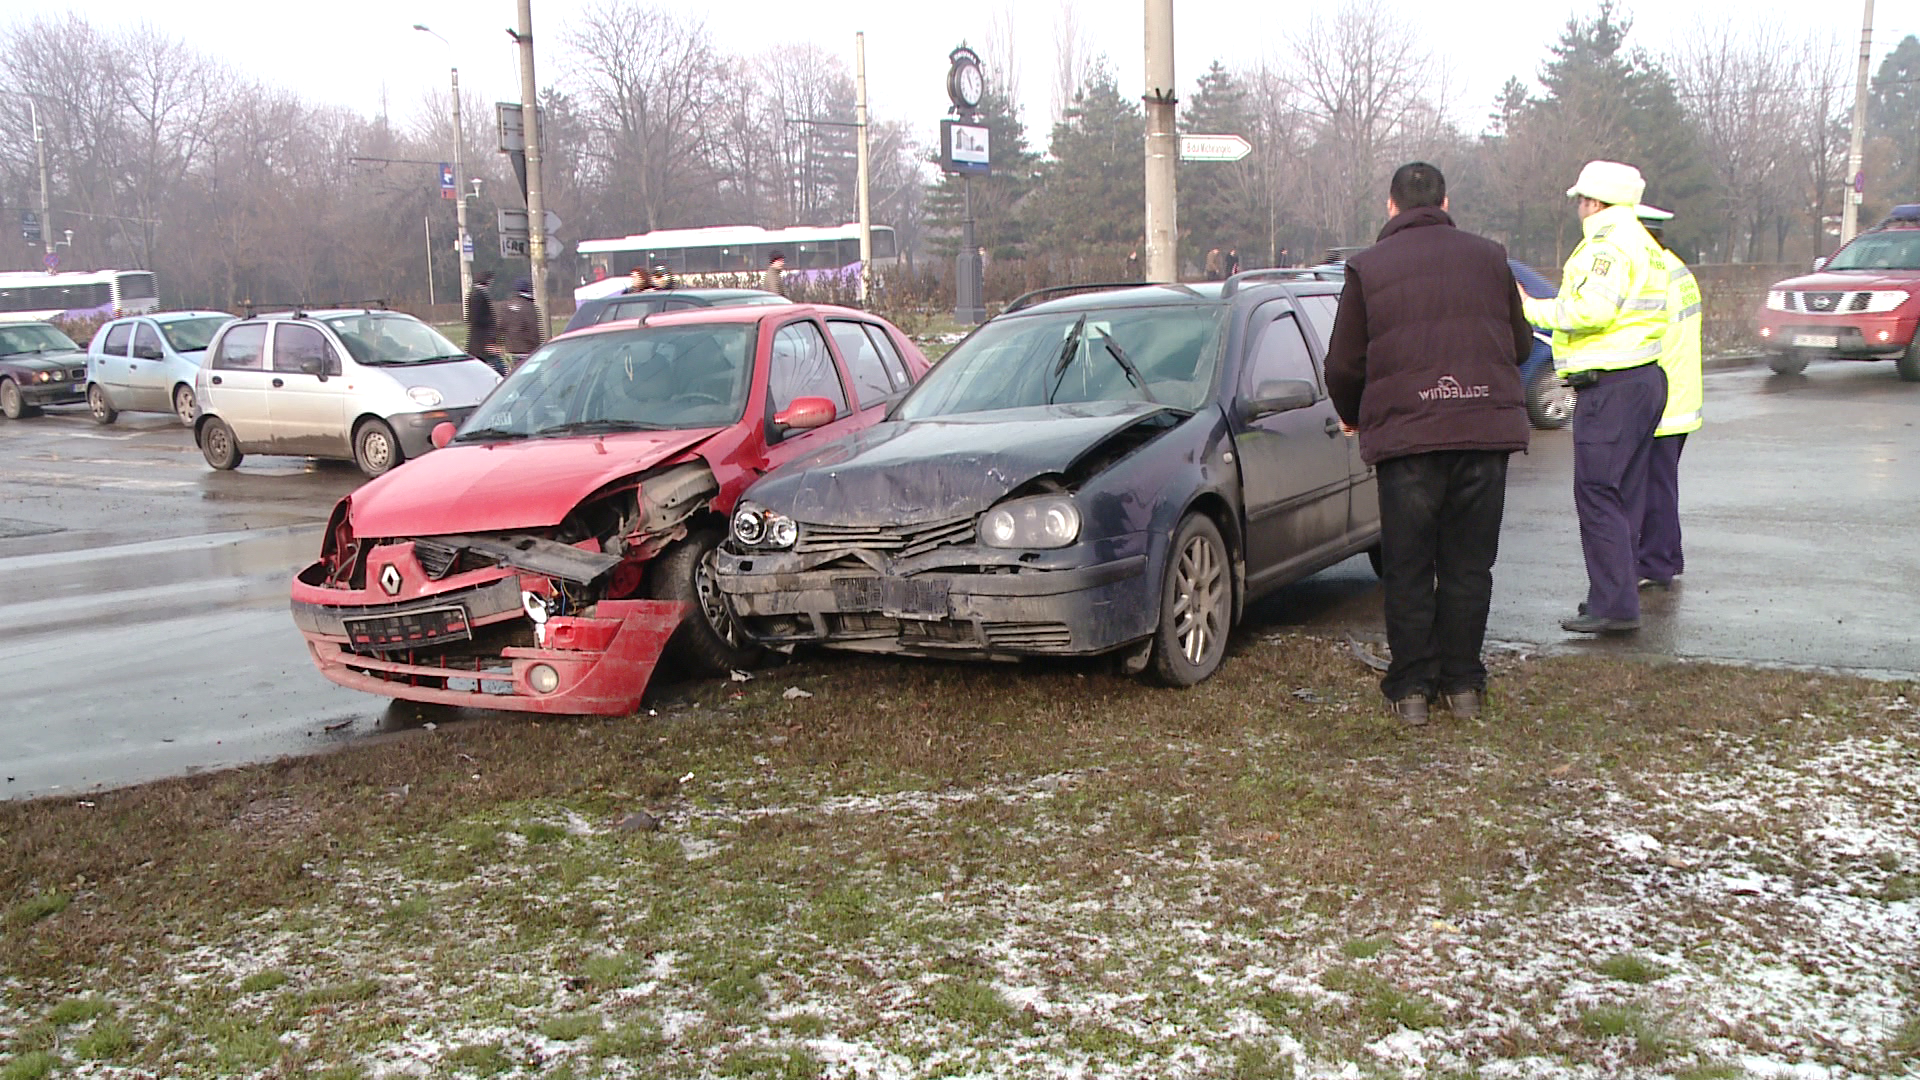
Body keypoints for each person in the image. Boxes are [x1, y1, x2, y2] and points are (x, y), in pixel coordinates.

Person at [1325, 162, 1535, 725]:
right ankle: (1464, 685)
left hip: (1408, 439)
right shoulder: (1491, 257)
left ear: (1390, 207)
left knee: (1410, 566)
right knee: (1470, 565)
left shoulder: (1367, 268)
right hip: (1483, 434)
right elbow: (1520, 344)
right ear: (1446, 201)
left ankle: (1411, 690)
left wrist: (1352, 416)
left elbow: (1344, 363)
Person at [1518, 161, 1671, 634]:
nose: (1578, 208)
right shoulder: (1643, 241)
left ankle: (1614, 606)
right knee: (1623, 495)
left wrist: (1526, 306)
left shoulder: (1606, 245)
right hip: (1641, 380)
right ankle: (1615, 596)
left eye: (1581, 200)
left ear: (1595, 202)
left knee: (1598, 494)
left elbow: (1593, 309)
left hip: (1612, 387)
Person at [1633, 204, 1702, 590]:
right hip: (1680, 396)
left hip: (1660, 400)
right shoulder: (1676, 267)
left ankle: (1656, 563)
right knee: (1662, 484)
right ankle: (1667, 556)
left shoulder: (1652, 275)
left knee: (1654, 487)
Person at [499, 277, 541, 368]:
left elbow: (500, 327)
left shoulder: (505, 306)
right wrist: (538, 347)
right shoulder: (529, 306)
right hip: (527, 350)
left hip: (511, 350)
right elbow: (533, 330)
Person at [464, 270, 498, 366]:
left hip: (479, 340)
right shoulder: (478, 295)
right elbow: (475, 317)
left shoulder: (476, 294)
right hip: (481, 339)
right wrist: (490, 321)